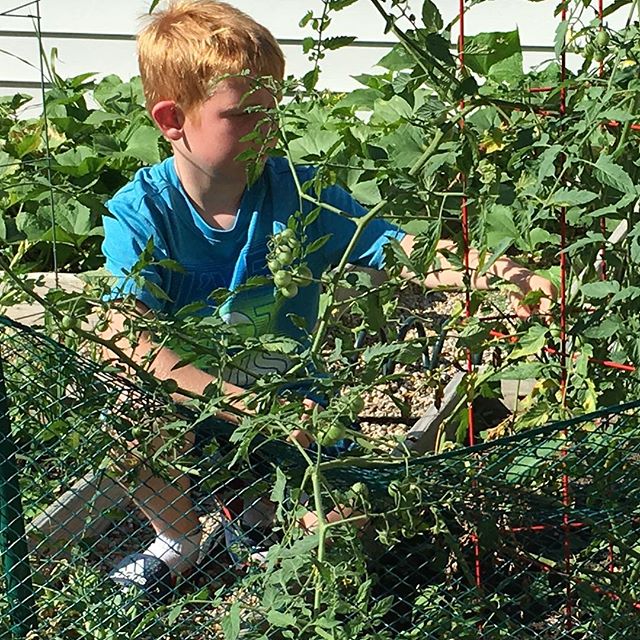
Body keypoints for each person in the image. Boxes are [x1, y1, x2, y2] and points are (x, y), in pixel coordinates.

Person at [100, 0, 555, 601]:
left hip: (298, 414)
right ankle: (178, 539)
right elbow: (125, 341)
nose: (268, 128)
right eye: (242, 114)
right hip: (195, 409)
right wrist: (241, 406)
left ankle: (258, 522)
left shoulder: (300, 193)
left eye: (274, 110)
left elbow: (400, 250)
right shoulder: (144, 215)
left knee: (343, 530)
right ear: (172, 120)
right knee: (132, 416)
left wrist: (496, 274)